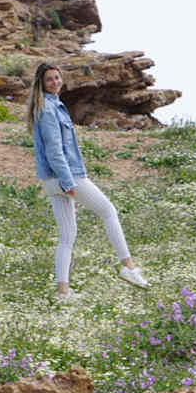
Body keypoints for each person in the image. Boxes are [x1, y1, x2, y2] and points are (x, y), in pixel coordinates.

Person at [26, 61, 149, 299]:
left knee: (66, 237)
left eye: (58, 78)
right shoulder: (49, 110)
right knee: (108, 211)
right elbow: (54, 150)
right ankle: (128, 268)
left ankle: (63, 292)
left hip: (50, 182)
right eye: (50, 79)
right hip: (66, 177)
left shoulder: (46, 107)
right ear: (41, 83)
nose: (56, 82)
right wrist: (68, 180)